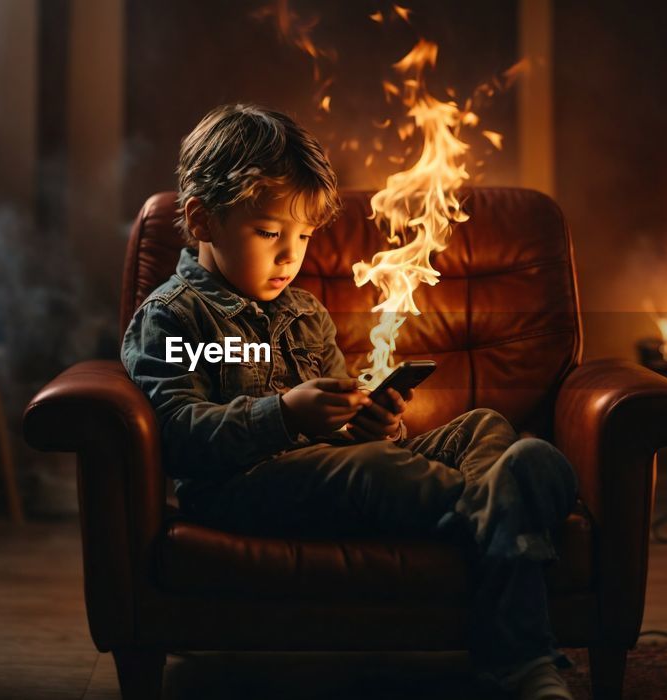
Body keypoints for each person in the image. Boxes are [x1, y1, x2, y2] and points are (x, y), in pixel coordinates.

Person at [120, 103, 579, 700]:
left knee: (482, 426)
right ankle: (518, 630)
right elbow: (179, 429)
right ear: (202, 221)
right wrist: (286, 415)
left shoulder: (304, 314)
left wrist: (369, 421)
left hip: (336, 466)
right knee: (377, 466)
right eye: (269, 234)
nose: (291, 256)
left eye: (304, 237)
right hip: (242, 484)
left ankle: (504, 493)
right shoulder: (174, 317)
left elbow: (345, 433)